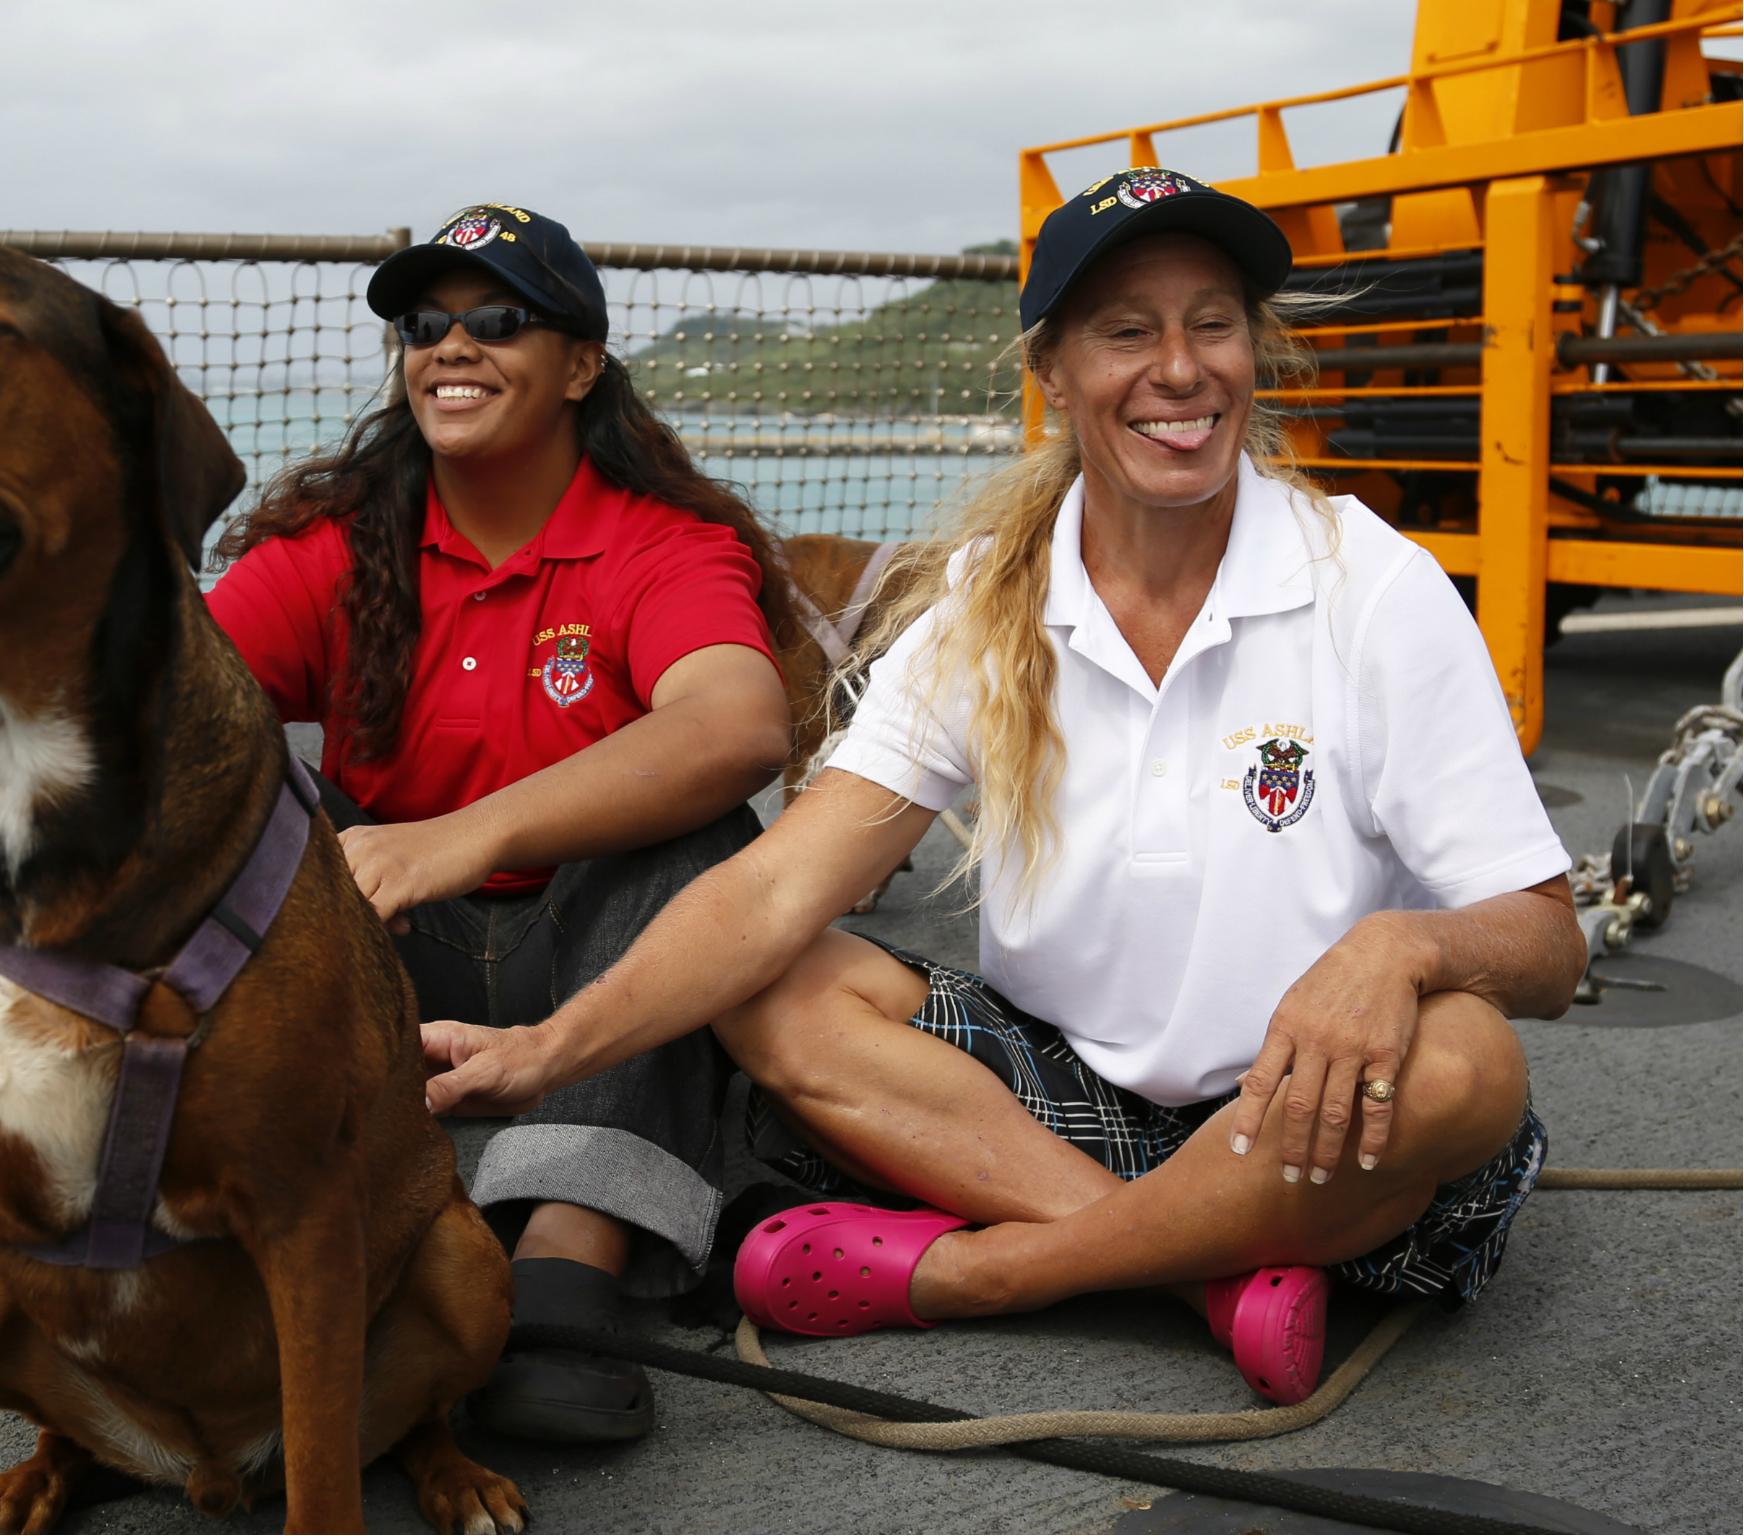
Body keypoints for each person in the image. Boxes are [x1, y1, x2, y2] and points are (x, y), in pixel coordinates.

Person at [414, 169, 1589, 1406]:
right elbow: (774, 888)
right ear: (1054, 371)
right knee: (773, 983)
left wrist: (1397, 951)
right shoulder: (988, 599)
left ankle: (995, 1275)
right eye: (1126, 331)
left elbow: (1546, 945)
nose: (1178, 369)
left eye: (1212, 324)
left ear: (1254, 351)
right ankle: (1197, 1274)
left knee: (1465, 1067)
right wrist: (549, 1049)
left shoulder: (1371, 584)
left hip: (1307, 1109)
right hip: (1061, 1098)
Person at [0, 205, 798, 1445]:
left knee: (693, 855)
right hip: (380, 951)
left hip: (588, 962)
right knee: (210, 829)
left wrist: (465, 834)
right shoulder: (341, 544)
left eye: (498, 319)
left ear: (582, 363)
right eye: (422, 324)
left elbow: (735, 727)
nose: (451, 344)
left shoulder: (661, 541)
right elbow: (166, 699)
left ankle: (567, 1261)